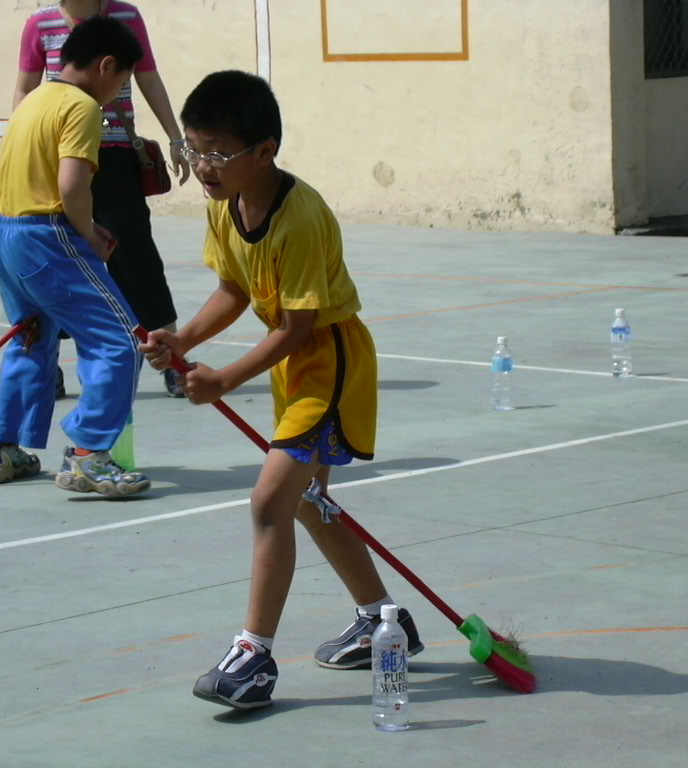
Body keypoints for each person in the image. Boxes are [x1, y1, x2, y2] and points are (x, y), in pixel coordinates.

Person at [140, 71, 424, 709]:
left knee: (271, 501)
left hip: (330, 364)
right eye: (193, 149)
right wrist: (183, 339)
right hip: (294, 368)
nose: (203, 167)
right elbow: (234, 290)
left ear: (264, 150)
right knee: (307, 502)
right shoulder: (224, 204)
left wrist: (224, 379)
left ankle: (254, 657)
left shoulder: (299, 217)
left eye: (217, 153)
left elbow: (297, 326)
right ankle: (383, 620)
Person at [0, 16, 150, 498]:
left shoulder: (35, 99)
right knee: (119, 340)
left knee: (30, 336)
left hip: (3, 232)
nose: (118, 92)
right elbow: (72, 186)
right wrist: (89, 235)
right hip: (47, 237)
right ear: (106, 65)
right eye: (122, 81)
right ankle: (88, 454)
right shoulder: (82, 107)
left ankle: (4, 448)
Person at [15, 0, 189, 398]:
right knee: (56, 263)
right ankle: (48, 364)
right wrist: (23, 145)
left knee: (137, 258)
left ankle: (172, 358)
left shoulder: (126, 16)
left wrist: (175, 138)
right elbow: (25, 88)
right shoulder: (39, 24)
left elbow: (149, 79)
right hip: (59, 158)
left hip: (115, 155)